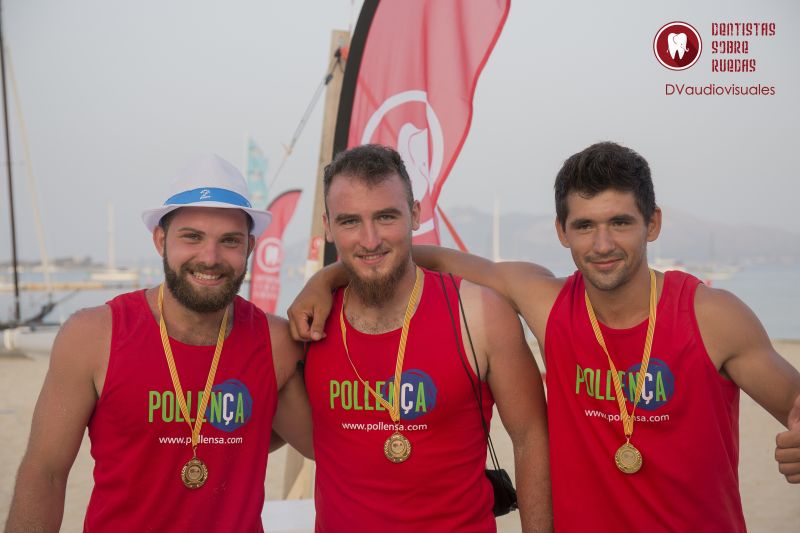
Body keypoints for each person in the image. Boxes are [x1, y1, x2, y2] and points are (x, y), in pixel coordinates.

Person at [289, 142, 800, 532]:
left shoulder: (711, 317)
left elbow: (793, 402)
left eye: (620, 222)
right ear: (561, 231)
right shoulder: (548, 303)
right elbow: (404, 255)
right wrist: (326, 278)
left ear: (653, 223)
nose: (603, 245)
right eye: (584, 226)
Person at [5, 155, 312, 532]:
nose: (210, 257)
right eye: (192, 237)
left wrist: (329, 279)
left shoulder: (275, 341)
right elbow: (45, 474)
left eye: (229, 241)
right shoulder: (94, 336)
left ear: (249, 248)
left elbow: (323, 445)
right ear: (161, 240)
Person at [302, 144, 551, 532]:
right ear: (328, 225)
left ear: (414, 214)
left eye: (386, 217)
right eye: (350, 222)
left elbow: (531, 439)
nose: (370, 240)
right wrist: (322, 279)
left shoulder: (479, 313)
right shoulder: (309, 326)